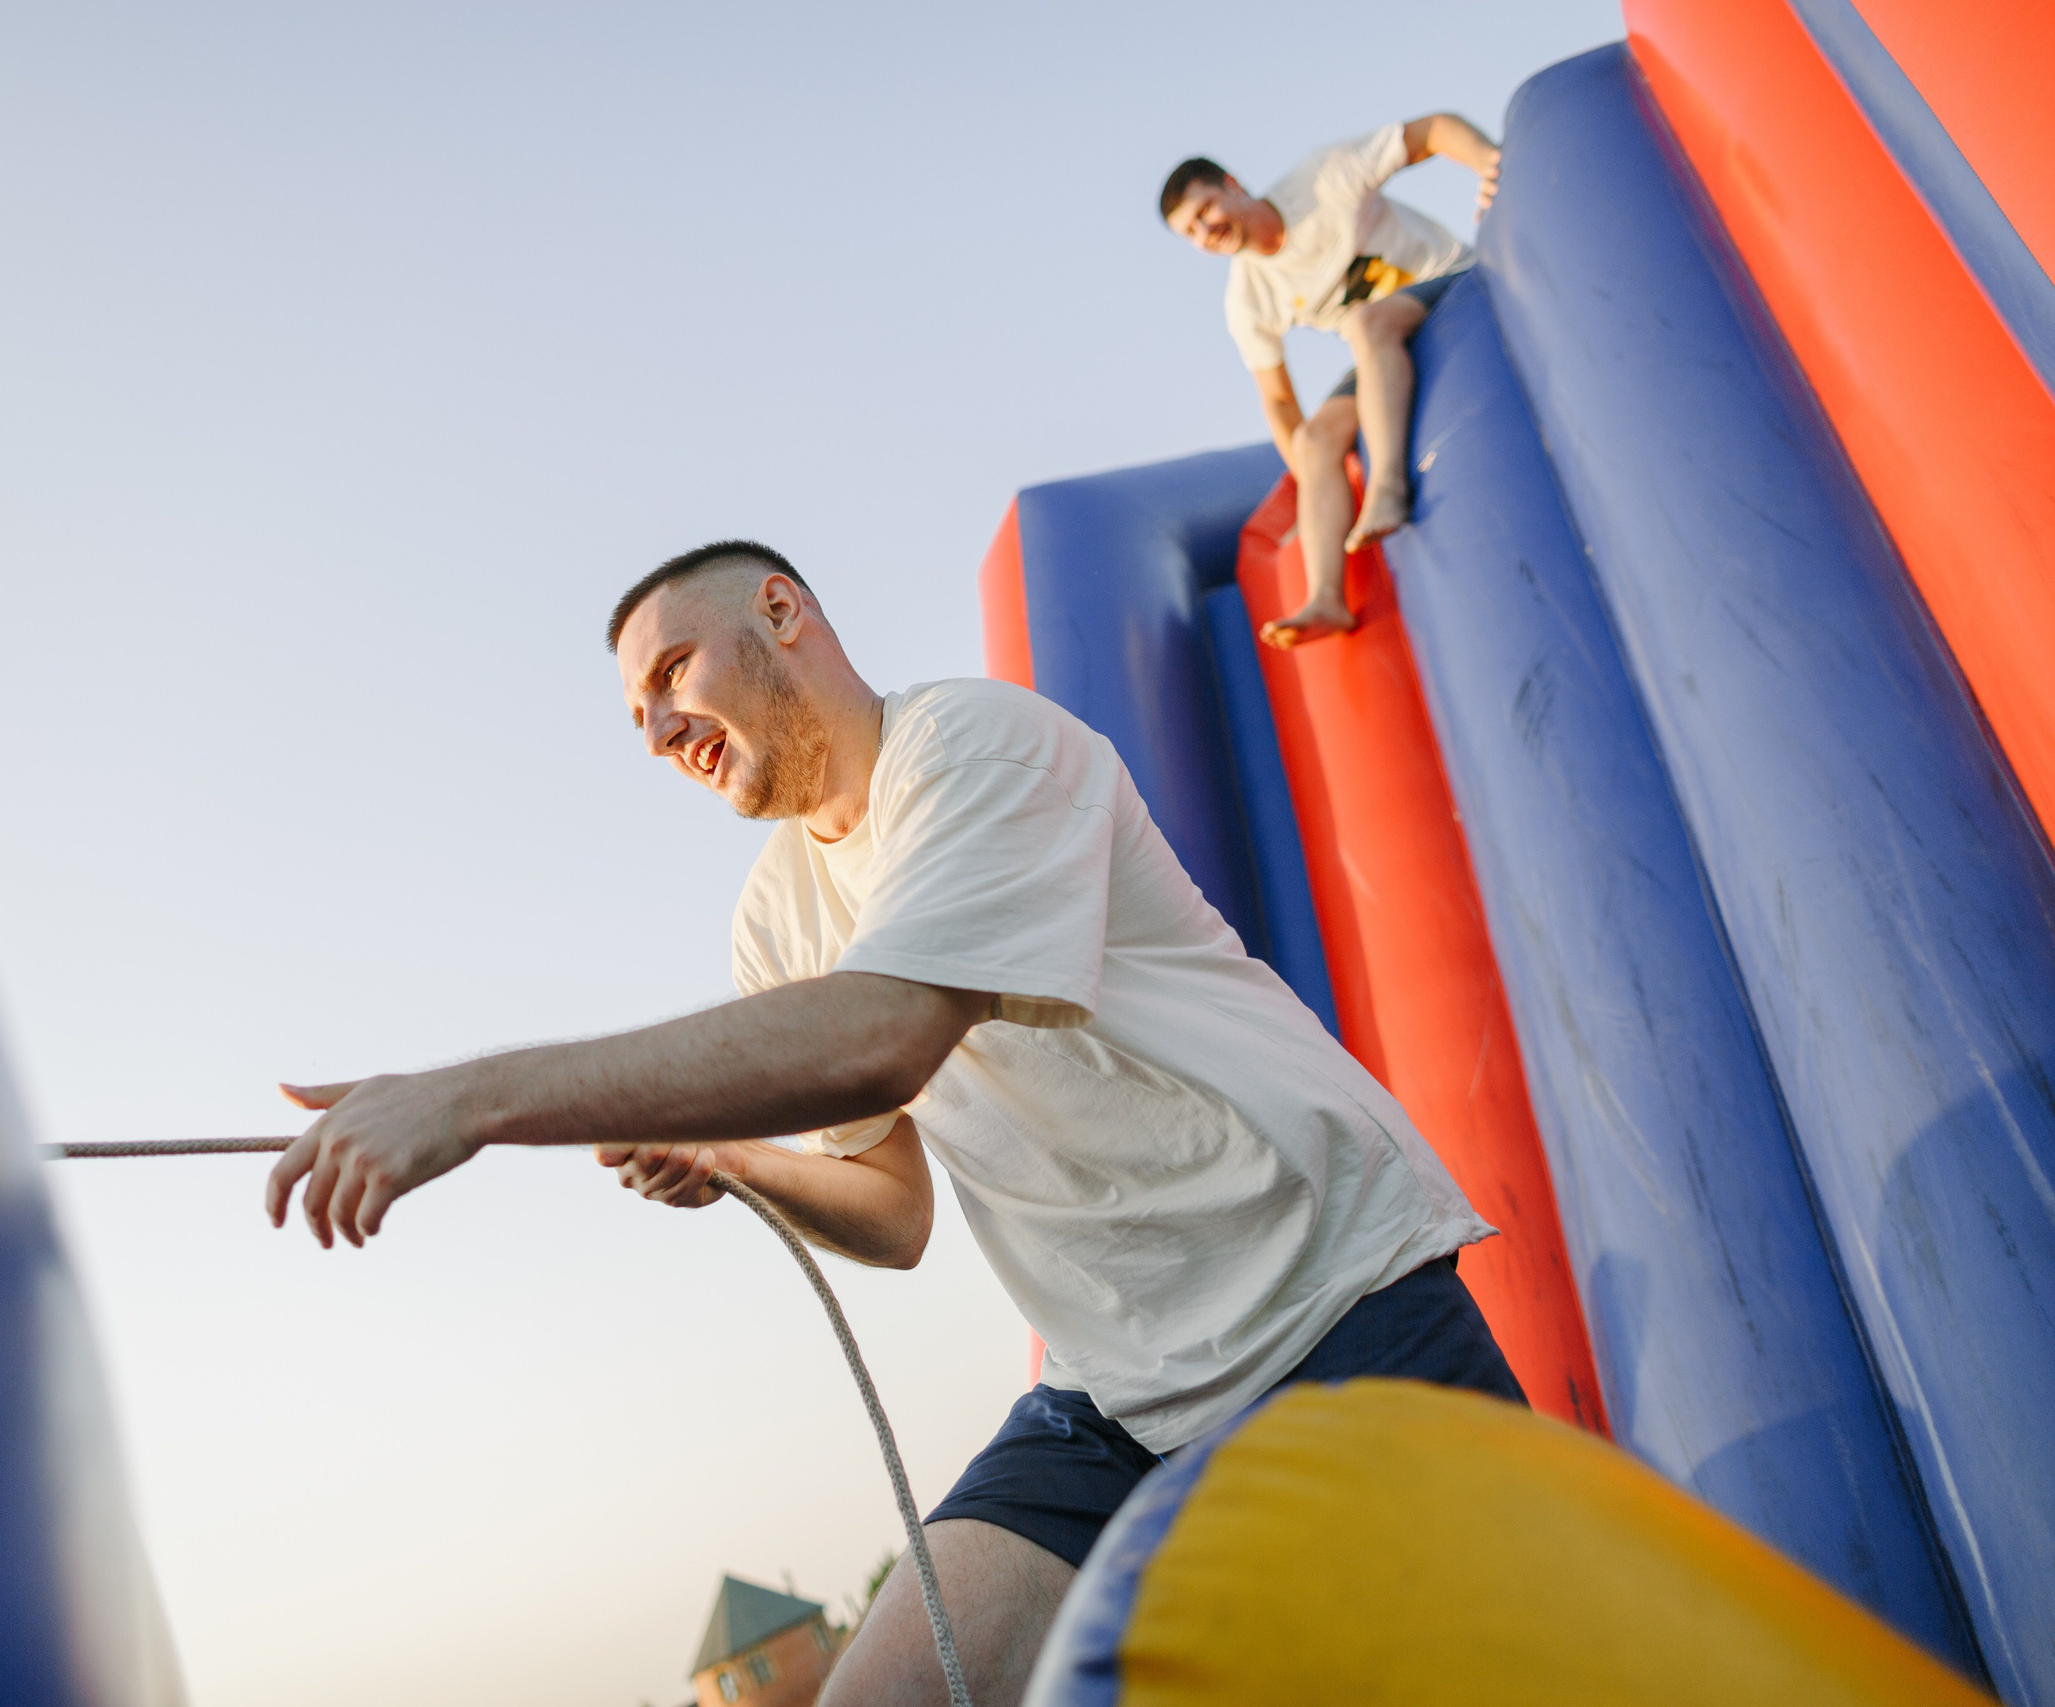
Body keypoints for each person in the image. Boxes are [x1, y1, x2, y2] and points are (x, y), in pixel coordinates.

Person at [266, 541, 1524, 1706]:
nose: (654, 731)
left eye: (669, 672)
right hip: (1113, 1393)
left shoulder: (975, 744)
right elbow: (892, 1213)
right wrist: (735, 1162)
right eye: (635, 715)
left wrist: (473, 1098)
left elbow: (878, 1033)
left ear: (780, 612)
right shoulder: (774, 916)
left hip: (1330, 1301)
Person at [1161, 115, 1501, 647]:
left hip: (1449, 285)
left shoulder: (1321, 181)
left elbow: (1430, 132)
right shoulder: (1247, 298)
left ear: (1232, 184)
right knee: (1314, 437)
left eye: (1205, 211)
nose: (1207, 232)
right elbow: (1277, 399)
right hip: (1381, 343)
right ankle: (1326, 598)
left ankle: (1388, 485)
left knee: (1366, 324)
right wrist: (1316, 484)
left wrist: (1486, 161)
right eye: (1191, 233)